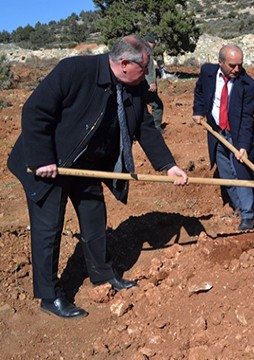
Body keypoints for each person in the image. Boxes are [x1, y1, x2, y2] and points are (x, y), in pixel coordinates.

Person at [6, 35, 189, 319]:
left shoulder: (135, 87)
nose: (147, 75)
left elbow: (144, 127)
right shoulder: (74, 71)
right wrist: (43, 158)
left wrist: (168, 165)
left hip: (87, 164)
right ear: (125, 63)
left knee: (94, 218)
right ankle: (49, 295)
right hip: (49, 165)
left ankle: (103, 275)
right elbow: (35, 112)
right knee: (48, 229)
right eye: (145, 68)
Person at [193, 45, 254, 231]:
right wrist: (198, 111)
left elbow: (247, 117)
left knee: (241, 174)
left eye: (240, 65)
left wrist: (244, 146)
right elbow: (199, 91)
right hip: (215, 132)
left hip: (237, 135)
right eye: (232, 65)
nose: (237, 69)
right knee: (226, 173)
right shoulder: (207, 72)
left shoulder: (249, 85)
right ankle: (238, 206)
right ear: (220, 62)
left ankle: (248, 215)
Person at [143, 34, 165, 133]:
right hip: (146, 85)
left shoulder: (137, 51)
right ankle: (156, 127)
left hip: (138, 85)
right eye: (153, 43)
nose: (154, 46)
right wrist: (151, 82)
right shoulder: (146, 53)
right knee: (157, 105)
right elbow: (148, 70)